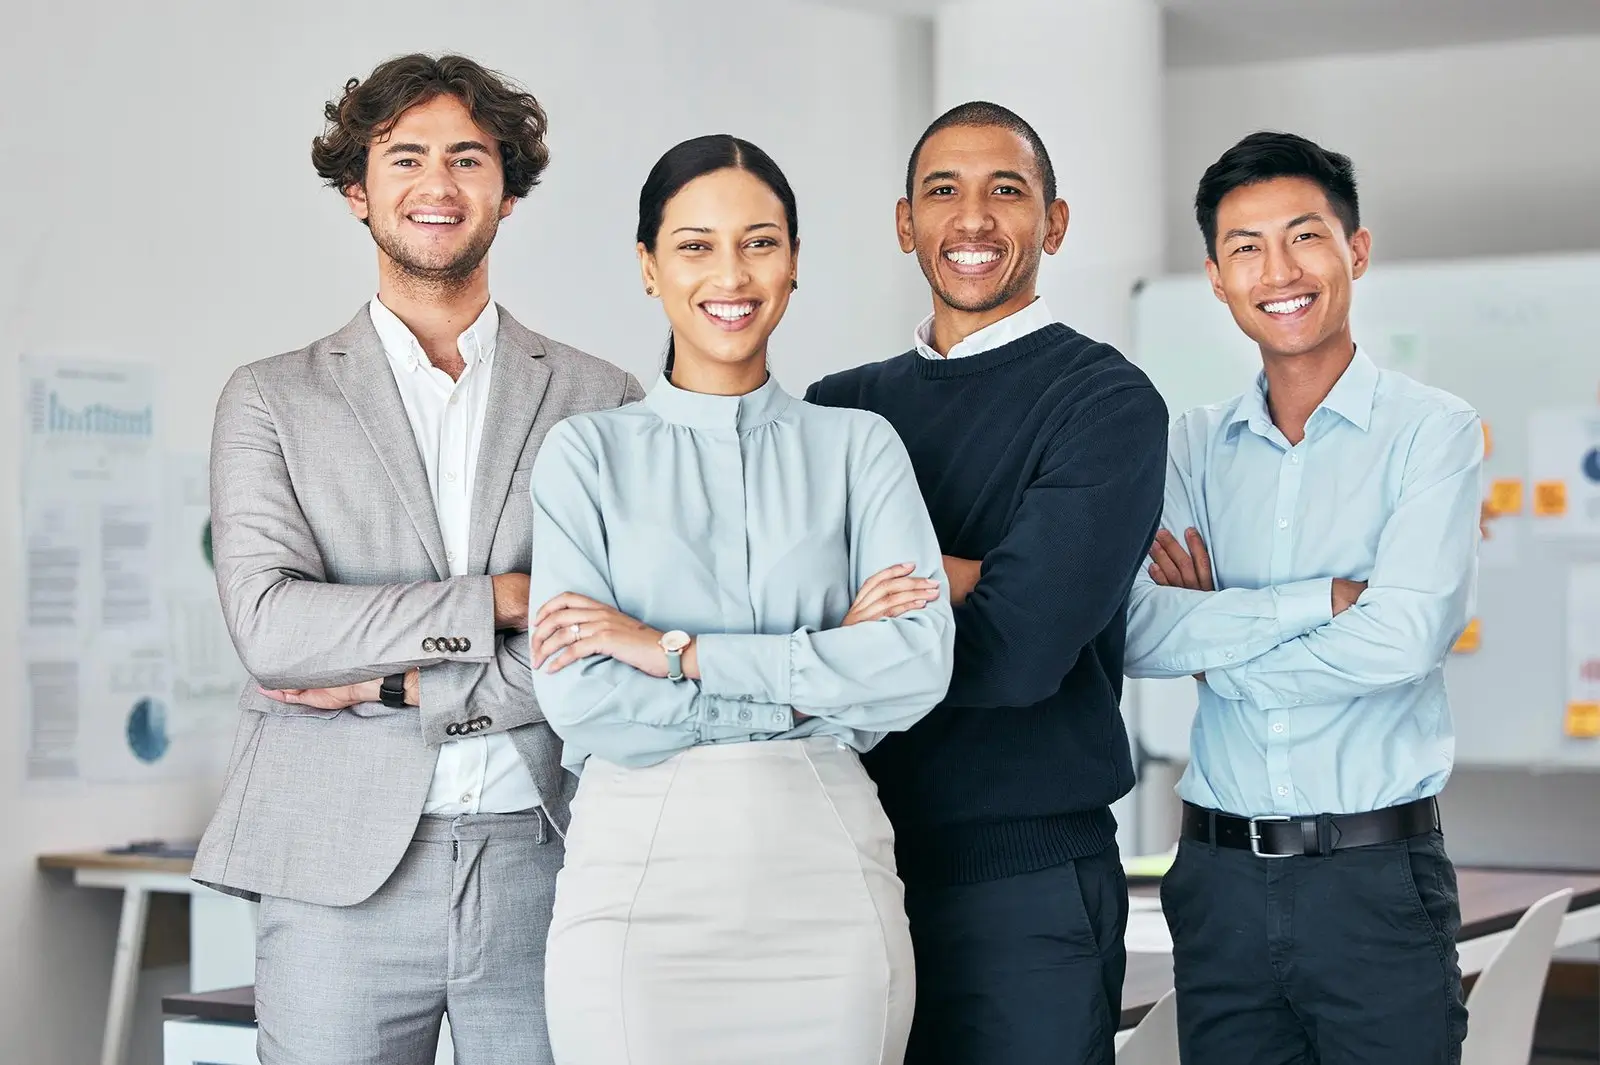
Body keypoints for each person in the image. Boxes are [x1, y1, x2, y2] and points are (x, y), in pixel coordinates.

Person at [191, 54, 642, 1065]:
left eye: (467, 159)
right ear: (358, 190)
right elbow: (273, 626)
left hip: (549, 859)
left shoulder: (599, 398)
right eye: (405, 159)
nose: (437, 186)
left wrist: (392, 688)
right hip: (332, 875)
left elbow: (609, 642)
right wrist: (503, 599)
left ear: (505, 191)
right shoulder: (270, 400)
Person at [525, 133, 955, 1065]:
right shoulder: (585, 455)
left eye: (760, 242)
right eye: (695, 245)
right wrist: (823, 658)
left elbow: (916, 668)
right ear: (648, 267)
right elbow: (584, 700)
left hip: (829, 885)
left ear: (794, 262)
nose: (732, 273)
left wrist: (672, 651)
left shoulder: (860, 448)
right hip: (637, 892)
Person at [806, 102, 1168, 1065]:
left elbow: (1020, 649)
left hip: (1028, 886)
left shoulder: (1107, 402)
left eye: (1005, 191)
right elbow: (775, 612)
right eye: (943, 192)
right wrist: (970, 572)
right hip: (847, 864)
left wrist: (858, 612)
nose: (972, 219)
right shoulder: (837, 408)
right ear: (903, 223)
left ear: (1052, 222)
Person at [1125, 131, 1477, 1064]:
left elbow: (1404, 639)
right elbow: (1142, 632)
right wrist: (1322, 597)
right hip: (1215, 882)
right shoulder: (1189, 445)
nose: (1277, 270)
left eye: (1304, 237)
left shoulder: (1432, 433)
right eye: (1245, 247)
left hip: (1374, 882)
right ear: (1214, 275)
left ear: (1354, 252)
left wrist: (1220, 643)